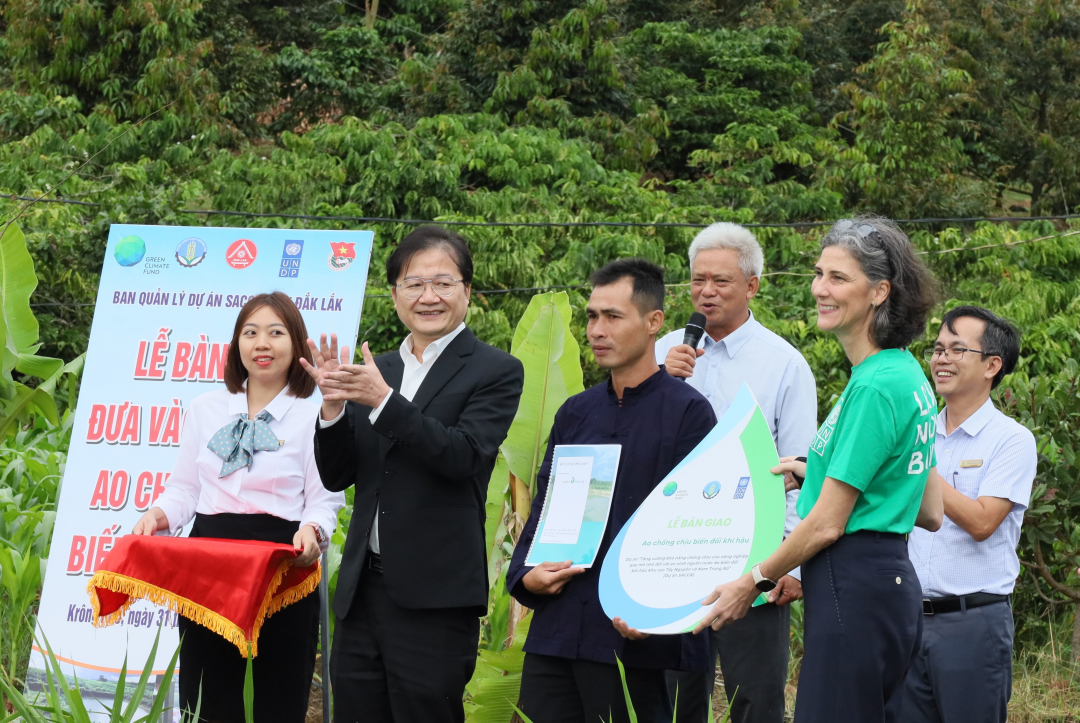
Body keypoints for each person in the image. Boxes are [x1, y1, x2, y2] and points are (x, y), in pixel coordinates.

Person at [694, 216, 946, 723]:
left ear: (879, 292)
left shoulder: (873, 387)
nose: (819, 289)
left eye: (838, 278)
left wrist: (756, 580)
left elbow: (829, 523)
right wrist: (818, 472)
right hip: (887, 585)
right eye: (819, 273)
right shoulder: (906, 374)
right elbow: (929, 507)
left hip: (852, 585)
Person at [301, 226, 524, 723]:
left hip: (436, 598)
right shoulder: (376, 368)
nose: (428, 297)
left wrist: (382, 401)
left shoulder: (495, 370)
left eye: (443, 283)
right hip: (362, 594)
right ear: (395, 294)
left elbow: (463, 455)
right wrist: (334, 408)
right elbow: (338, 477)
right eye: (413, 284)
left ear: (467, 291)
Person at [506, 258, 719, 723]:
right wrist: (526, 575)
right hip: (558, 630)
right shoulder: (575, 414)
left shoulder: (689, 413)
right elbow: (545, 508)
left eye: (612, 316)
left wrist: (657, 613)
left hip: (638, 639)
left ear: (653, 323)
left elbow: (697, 530)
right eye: (591, 316)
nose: (597, 330)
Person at [132, 291, 345, 723]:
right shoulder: (205, 408)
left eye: (275, 332)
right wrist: (158, 515)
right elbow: (185, 490)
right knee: (209, 692)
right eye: (250, 333)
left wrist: (313, 535)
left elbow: (324, 502)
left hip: (281, 567)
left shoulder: (314, 415)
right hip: (209, 564)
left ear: (296, 343)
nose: (261, 344)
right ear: (236, 345)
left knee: (278, 692)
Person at [655, 222, 817, 723]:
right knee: (676, 698)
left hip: (753, 556)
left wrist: (786, 564)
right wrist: (662, 385)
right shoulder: (662, 353)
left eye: (721, 281)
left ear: (752, 285)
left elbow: (798, 469)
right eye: (698, 279)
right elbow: (636, 445)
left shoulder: (784, 364)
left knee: (757, 696)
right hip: (674, 550)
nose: (706, 291)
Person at [894, 306, 1035, 723]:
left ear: (993, 365)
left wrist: (918, 466)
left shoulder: (1011, 440)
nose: (941, 359)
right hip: (910, 619)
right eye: (937, 349)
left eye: (957, 350)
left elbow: (981, 522)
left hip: (973, 624)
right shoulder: (919, 432)